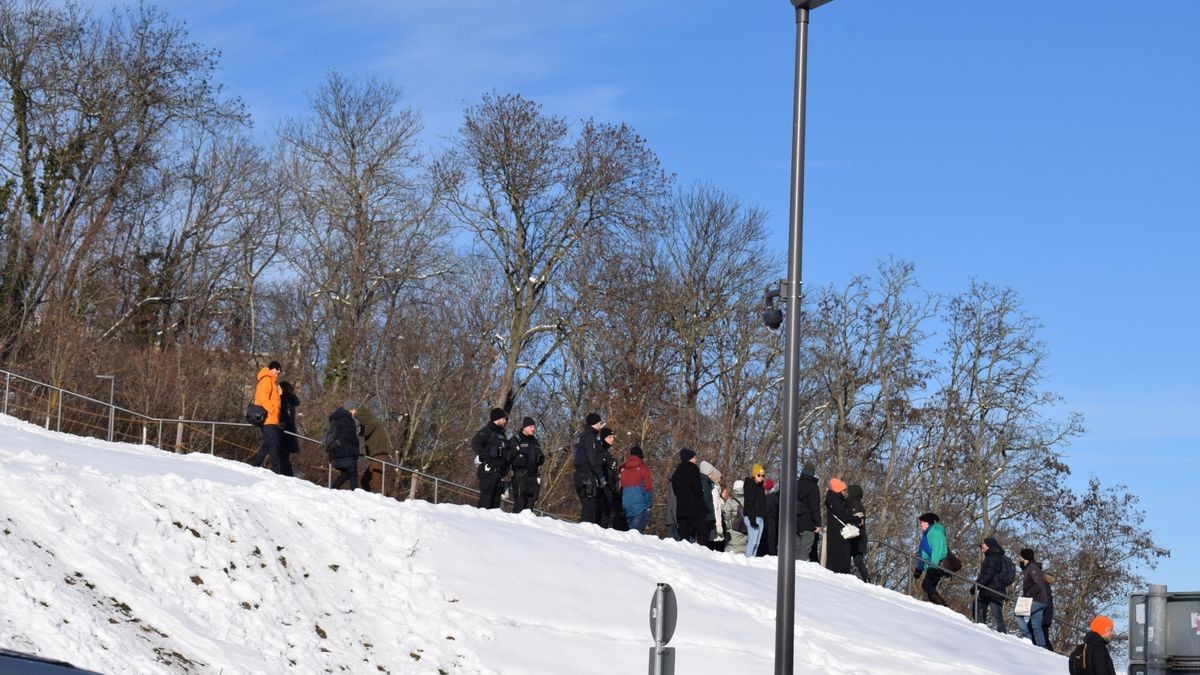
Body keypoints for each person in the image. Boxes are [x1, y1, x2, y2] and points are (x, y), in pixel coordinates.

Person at [250, 361, 285, 474]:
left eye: (280, 370)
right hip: (268, 417)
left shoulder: (272, 382)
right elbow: (264, 398)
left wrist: (279, 394)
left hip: (271, 418)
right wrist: (273, 410)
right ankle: (277, 470)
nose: (279, 371)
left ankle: (255, 465)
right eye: (277, 369)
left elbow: (272, 398)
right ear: (271, 369)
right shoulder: (266, 380)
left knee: (267, 443)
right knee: (274, 442)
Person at [471, 407, 509, 509]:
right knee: (486, 502)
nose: (505, 421)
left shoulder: (502, 434)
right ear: (498, 418)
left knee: (496, 504)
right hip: (488, 472)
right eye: (503, 418)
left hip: (499, 473)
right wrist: (486, 457)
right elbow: (475, 443)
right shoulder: (487, 431)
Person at [573, 413, 606, 524]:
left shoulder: (582, 436)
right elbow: (592, 459)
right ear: (595, 423)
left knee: (587, 503)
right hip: (587, 475)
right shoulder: (589, 437)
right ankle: (585, 530)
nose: (600, 426)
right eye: (599, 423)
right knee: (589, 505)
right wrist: (600, 476)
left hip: (579, 474)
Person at [670, 448, 707, 544]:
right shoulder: (693, 469)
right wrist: (701, 501)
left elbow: (675, 490)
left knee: (684, 537)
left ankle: (684, 556)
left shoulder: (676, 473)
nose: (696, 460)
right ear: (689, 459)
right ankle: (703, 554)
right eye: (694, 458)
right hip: (694, 508)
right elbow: (697, 489)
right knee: (703, 532)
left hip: (681, 509)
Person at [508, 417, 545, 513]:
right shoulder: (515, 440)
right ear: (524, 427)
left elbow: (540, 458)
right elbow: (508, 458)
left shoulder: (535, 442)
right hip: (520, 477)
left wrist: (541, 459)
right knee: (519, 506)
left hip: (533, 478)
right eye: (530, 426)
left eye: (534, 426)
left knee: (529, 509)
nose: (533, 429)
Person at [972, 537, 1009, 633]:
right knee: (993, 614)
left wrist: (976, 586)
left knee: (995, 615)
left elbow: (988, 575)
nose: (982, 547)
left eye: (983, 545)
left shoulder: (992, 557)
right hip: (993, 590)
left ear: (988, 546)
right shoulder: (996, 556)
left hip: (991, 590)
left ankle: (982, 630)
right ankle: (983, 629)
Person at [1016, 547, 1051, 648]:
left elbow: (1038, 585)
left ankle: (1028, 639)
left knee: (1018, 614)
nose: (1019, 557)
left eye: (1020, 555)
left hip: (1036, 600)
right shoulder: (1031, 567)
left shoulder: (1032, 568)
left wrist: (1028, 594)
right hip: (1041, 601)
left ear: (1024, 557)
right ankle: (1042, 646)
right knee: (1036, 625)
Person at [915, 512, 949, 605]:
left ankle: (944, 607)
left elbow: (937, 550)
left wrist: (933, 567)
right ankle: (941, 608)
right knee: (930, 590)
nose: (920, 525)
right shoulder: (926, 534)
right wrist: (919, 568)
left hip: (937, 565)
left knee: (926, 585)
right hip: (931, 565)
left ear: (927, 522)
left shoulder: (936, 532)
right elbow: (922, 552)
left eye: (921, 522)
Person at [356, 405, 392, 493]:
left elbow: (364, 432)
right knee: (364, 480)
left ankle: (385, 501)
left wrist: (354, 425)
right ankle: (370, 498)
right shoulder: (373, 422)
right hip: (375, 456)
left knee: (377, 482)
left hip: (379, 455)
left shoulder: (373, 422)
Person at [823, 478, 855, 575]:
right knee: (841, 558)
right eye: (843, 490)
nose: (845, 492)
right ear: (839, 489)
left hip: (835, 534)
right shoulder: (836, 500)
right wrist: (855, 519)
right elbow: (843, 515)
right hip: (839, 534)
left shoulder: (833, 499)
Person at [619, 445, 653, 532]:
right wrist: (649, 506)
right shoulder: (643, 468)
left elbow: (621, 489)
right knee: (636, 537)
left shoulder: (624, 469)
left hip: (626, 507)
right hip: (640, 508)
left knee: (629, 534)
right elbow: (647, 488)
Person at [328, 401, 360, 489]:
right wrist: (356, 442)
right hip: (346, 451)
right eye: (355, 410)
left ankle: (332, 489)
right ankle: (355, 493)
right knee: (353, 473)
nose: (356, 412)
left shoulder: (341, 418)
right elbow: (348, 434)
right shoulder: (346, 419)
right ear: (350, 409)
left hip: (341, 451)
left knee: (346, 474)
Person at [597, 427, 623, 529]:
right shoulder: (600, 452)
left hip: (609, 489)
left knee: (606, 517)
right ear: (603, 438)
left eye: (613, 436)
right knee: (601, 517)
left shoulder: (608, 454)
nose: (612, 439)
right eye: (609, 436)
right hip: (602, 488)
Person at [795, 462, 821, 564]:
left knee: (796, 549)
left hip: (795, 520)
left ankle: (793, 569)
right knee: (805, 549)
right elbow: (814, 506)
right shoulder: (813, 487)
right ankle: (800, 571)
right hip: (808, 521)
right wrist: (817, 523)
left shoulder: (795, 484)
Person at [845, 484, 871, 582]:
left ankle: (866, 579)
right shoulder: (858, 503)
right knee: (858, 560)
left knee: (856, 560)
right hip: (859, 536)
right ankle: (867, 579)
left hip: (856, 536)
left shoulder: (853, 503)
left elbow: (856, 518)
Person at [699, 460, 725, 551]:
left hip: (712, 518)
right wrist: (715, 522)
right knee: (709, 543)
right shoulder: (713, 489)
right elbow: (713, 505)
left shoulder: (714, 488)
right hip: (711, 518)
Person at [742, 464, 767, 558]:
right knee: (752, 541)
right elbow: (749, 503)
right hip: (752, 517)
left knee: (757, 543)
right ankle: (748, 559)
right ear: (754, 475)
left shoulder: (760, 487)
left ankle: (753, 560)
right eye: (759, 475)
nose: (761, 477)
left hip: (760, 518)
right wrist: (752, 520)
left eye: (762, 475)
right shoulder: (750, 485)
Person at [276, 380, 300, 476]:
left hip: (284, 430)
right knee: (284, 457)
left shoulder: (284, 399)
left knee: (282, 456)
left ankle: (285, 475)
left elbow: (286, 415)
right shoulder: (290, 400)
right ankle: (287, 475)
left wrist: (282, 423)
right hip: (287, 430)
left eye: (279, 388)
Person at [722, 481, 748, 555]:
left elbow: (726, 515)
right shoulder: (748, 501)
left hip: (734, 531)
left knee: (731, 552)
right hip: (745, 530)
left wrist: (728, 527)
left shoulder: (730, 501)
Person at [760, 478, 780, 557]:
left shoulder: (767, 498)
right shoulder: (775, 498)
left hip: (768, 522)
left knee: (768, 541)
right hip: (774, 522)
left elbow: (765, 512)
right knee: (772, 541)